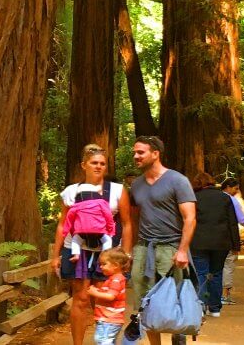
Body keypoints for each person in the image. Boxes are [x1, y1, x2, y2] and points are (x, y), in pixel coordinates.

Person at [120, 136, 196, 345]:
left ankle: (177, 340)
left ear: (155, 153)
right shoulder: (136, 185)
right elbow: (134, 221)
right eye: (135, 152)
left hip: (170, 248)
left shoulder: (177, 180)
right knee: (145, 303)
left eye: (140, 152)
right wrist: (130, 252)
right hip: (144, 249)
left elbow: (190, 218)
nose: (136, 156)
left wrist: (182, 250)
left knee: (172, 299)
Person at [54, 144, 126, 345]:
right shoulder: (71, 191)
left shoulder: (117, 191)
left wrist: (125, 254)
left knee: (104, 298)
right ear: (83, 165)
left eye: (102, 164)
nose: (98, 167)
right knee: (81, 298)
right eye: (94, 163)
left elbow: (127, 224)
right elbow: (63, 225)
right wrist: (55, 255)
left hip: (106, 252)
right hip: (77, 248)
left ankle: (104, 341)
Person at [188, 172, 238, 318]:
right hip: (221, 243)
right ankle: (215, 308)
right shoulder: (225, 198)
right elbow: (232, 222)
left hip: (198, 242)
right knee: (216, 273)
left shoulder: (193, 198)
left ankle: (201, 306)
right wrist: (236, 245)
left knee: (200, 273)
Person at [86, 247, 131, 345]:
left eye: (104, 264)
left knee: (103, 341)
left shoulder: (116, 280)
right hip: (107, 319)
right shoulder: (113, 279)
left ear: (115, 265)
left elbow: (111, 296)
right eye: (100, 264)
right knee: (104, 340)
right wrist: (98, 291)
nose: (101, 267)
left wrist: (94, 293)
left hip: (110, 319)